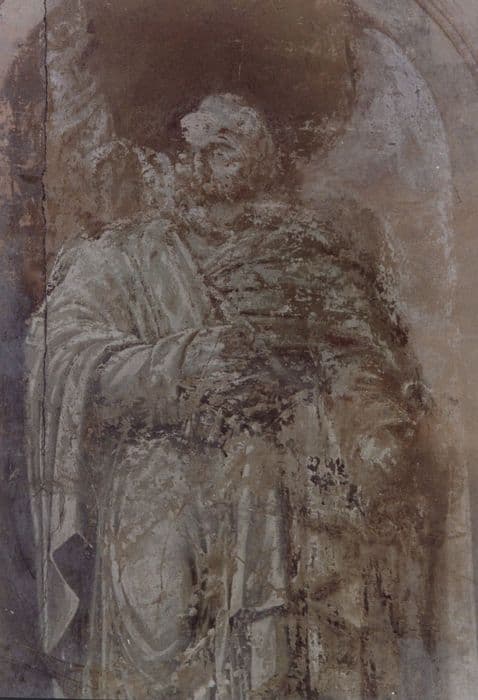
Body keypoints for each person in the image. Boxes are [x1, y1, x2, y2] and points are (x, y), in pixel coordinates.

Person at [27, 94, 441, 699]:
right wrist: (180, 364)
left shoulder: (309, 254)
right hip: (160, 498)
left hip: (288, 496)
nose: (206, 160)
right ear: (174, 156)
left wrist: (375, 431)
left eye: (229, 144)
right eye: (197, 145)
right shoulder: (121, 257)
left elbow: (361, 361)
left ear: (265, 157)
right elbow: (59, 356)